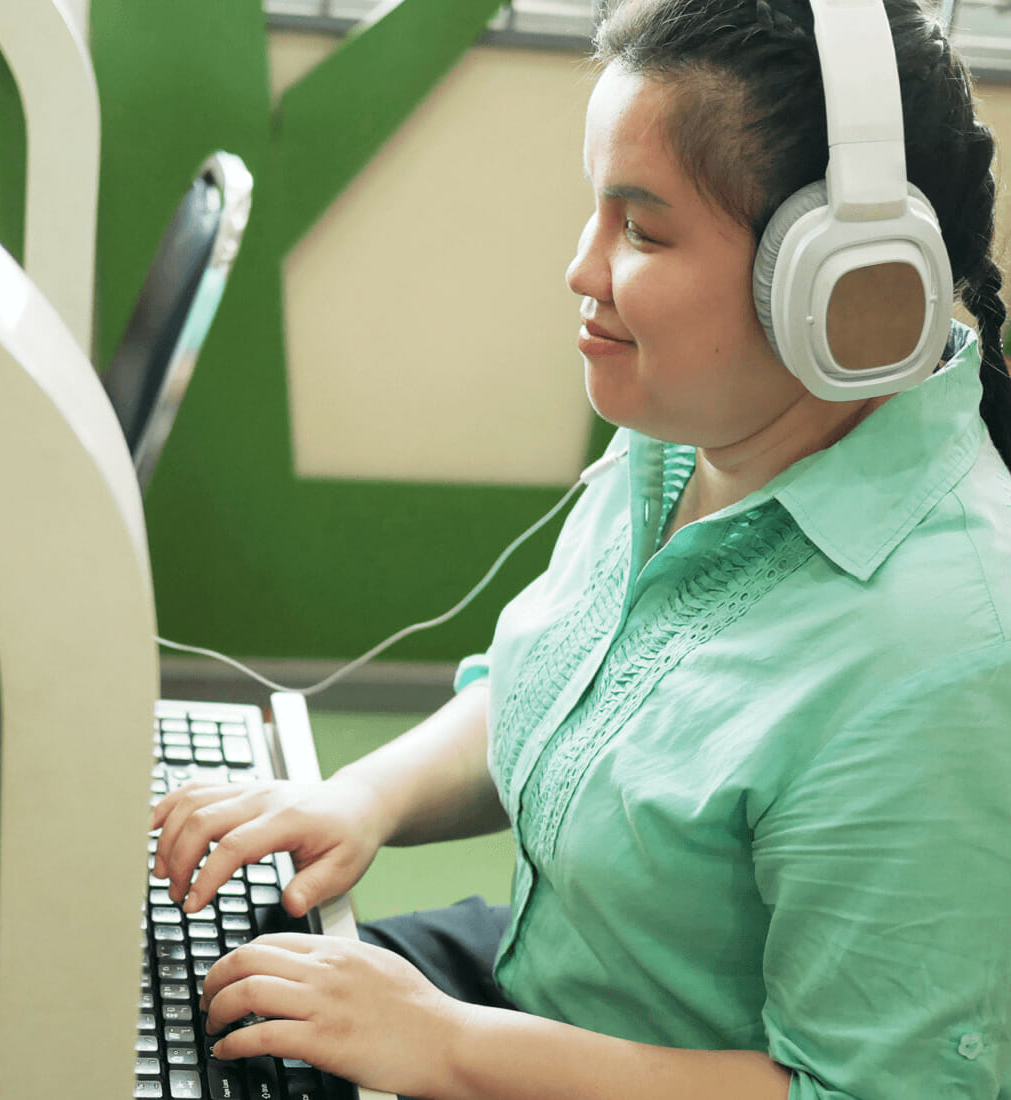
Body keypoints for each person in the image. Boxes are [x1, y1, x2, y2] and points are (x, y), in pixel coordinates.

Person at [151, 0, 1011, 1095]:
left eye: (643, 230)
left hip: (569, 1055)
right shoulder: (686, 440)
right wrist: (361, 797)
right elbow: (545, 690)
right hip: (539, 986)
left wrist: (449, 1047)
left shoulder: (947, 656)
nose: (581, 267)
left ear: (840, 290)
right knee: (173, 997)